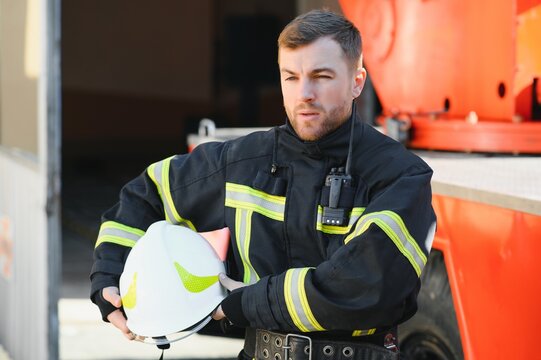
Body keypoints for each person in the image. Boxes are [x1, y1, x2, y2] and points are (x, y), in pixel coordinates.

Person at [90, 9, 436, 360]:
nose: (304, 94)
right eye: (291, 77)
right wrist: (109, 275)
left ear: (357, 82)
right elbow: (146, 194)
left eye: (321, 76)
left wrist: (245, 304)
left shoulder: (399, 176)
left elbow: (365, 286)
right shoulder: (242, 162)